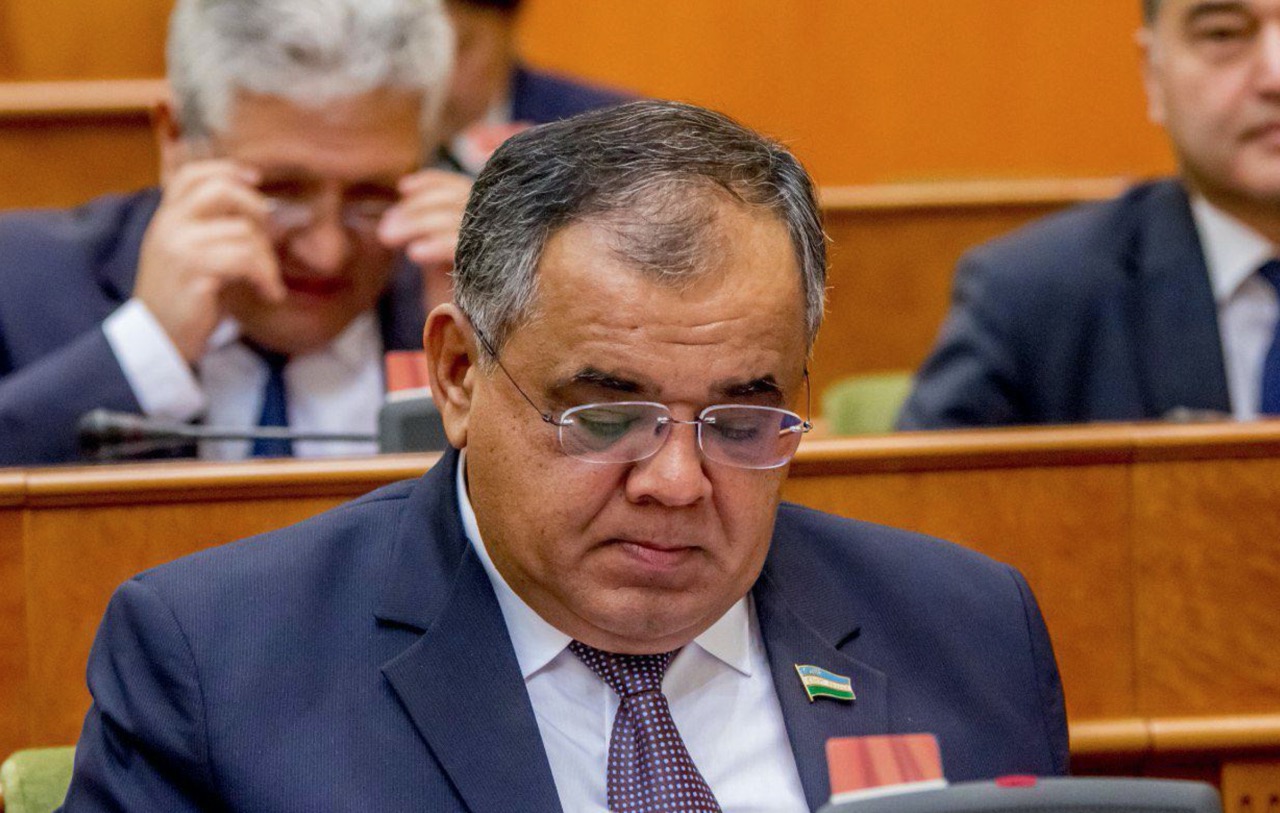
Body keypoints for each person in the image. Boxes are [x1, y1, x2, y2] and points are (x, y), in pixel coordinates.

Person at [59, 101, 1068, 813]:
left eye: (738, 422)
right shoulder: (220, 668)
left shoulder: (966, 634)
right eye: (606, 417)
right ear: (458, 374)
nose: (675, 483)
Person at [0, 0, 467, 466]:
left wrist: (484, 351)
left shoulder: (450, 296)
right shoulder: (19, 285)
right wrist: (148, 349)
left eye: (372, 196)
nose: (326, 252)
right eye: (281, 191)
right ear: (177, 140)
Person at [899, 0, 1280, 429]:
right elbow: (925, 472)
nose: (1275, 75)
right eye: (1224, 34)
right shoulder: (1029, 299)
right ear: (1153, 74)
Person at [440, 0, 635, 174]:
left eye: (457, 47)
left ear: (505, 29)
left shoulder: (604, 129)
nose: (439, 70)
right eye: (426, 50)